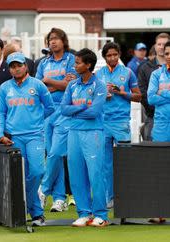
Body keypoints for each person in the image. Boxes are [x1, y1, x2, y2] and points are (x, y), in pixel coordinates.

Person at [0, 52, 55, 226]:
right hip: (14, 137)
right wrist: (1, 134)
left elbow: (50, 107)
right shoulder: (5, 88)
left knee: (37, 172)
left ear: (26, 66)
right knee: (19, 175)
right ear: (9, 69)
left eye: (19, 65)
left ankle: (25, 205)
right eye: (12, 66)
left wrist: (36, 120)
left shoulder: (37, 85)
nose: (16, 68)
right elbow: (0, 112)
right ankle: (36, 214)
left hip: (35, 135)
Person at [60, 48, 109, 227]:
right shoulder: (72, 85)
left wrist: (74, 110)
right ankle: (84, 213)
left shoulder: (100, 85)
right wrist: (81, 108)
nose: (74, 66)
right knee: (76, 174)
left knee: (95, 174)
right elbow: (63, 109)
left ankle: (101, 215)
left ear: (88, 65)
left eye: (78, 63)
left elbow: (95, 112)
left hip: (93, 132)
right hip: (74, 133)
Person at [35, 27, 77, 212]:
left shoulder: (71, 59)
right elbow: (36, 87)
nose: (53, 42)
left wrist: (49, 83)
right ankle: (59, 199)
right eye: (50, 39)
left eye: (56, 39)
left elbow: (70, 85)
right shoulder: (44, 63)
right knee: (52, 154)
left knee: (56, 152)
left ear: (63, 41)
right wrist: (56, 85)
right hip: (46, 111)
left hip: (64, 110)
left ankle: (43, 189)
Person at [96, 42, 142, 208]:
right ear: (105, 57)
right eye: (109, 55)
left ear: (119, 54)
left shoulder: (128, 73)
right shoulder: (98, 74)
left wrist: (121, 92)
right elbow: (91, 97)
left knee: (124, 160)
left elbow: (138, 97)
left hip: (121, 122)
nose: (112, 58)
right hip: (102, 122)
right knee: (105, 164)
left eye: (115, 54)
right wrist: (103, 96)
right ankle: (110, 198)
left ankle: (127, 197)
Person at [137, 33, 170, 141]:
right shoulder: (145, 67)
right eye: (159, 44)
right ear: (155, 46)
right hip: (153, 116)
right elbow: (143, 94)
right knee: (152, 151)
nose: (161, 47)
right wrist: (157, 108)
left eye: (164, 44)